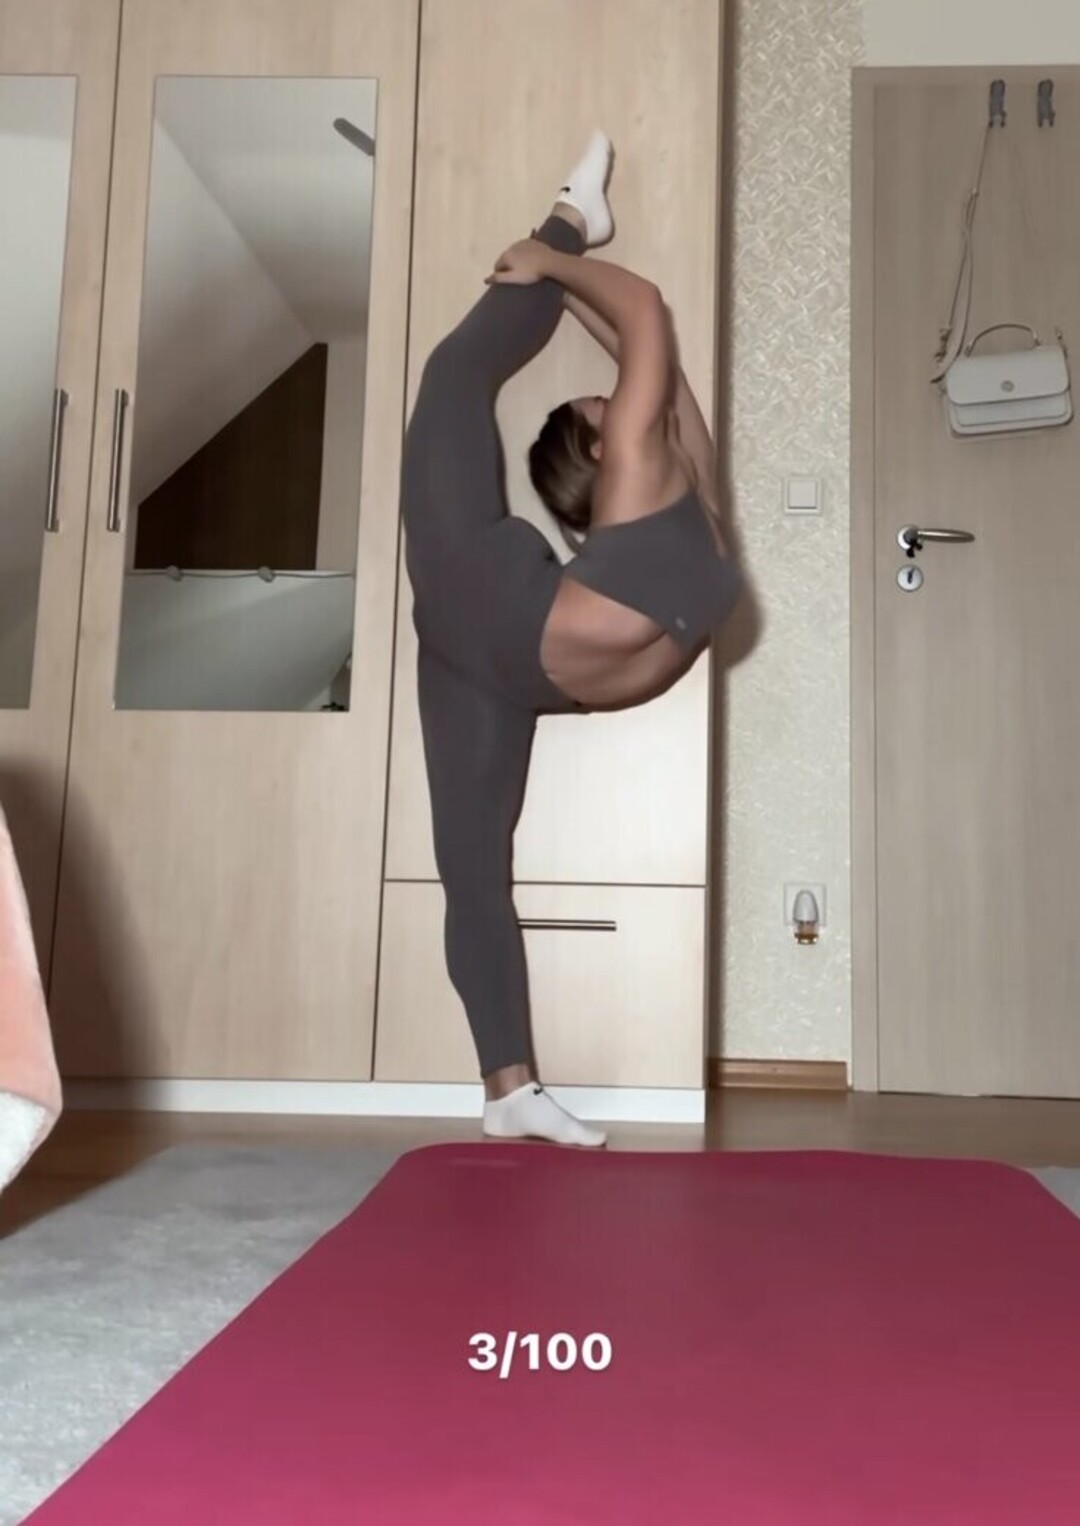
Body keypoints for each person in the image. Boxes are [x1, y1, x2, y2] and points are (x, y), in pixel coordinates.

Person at [400, 131, 741, 1149]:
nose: (615, 393)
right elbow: (647, 338)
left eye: (600, 398)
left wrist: (552, 263)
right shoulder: (694, 502)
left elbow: (645, 325)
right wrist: (558, 267)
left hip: (492, 627)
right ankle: (508, 1089)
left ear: (602, 444)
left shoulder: (647, 465)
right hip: (512, 653)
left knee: (452, 378)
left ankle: (510, 1090)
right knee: (472, 865)